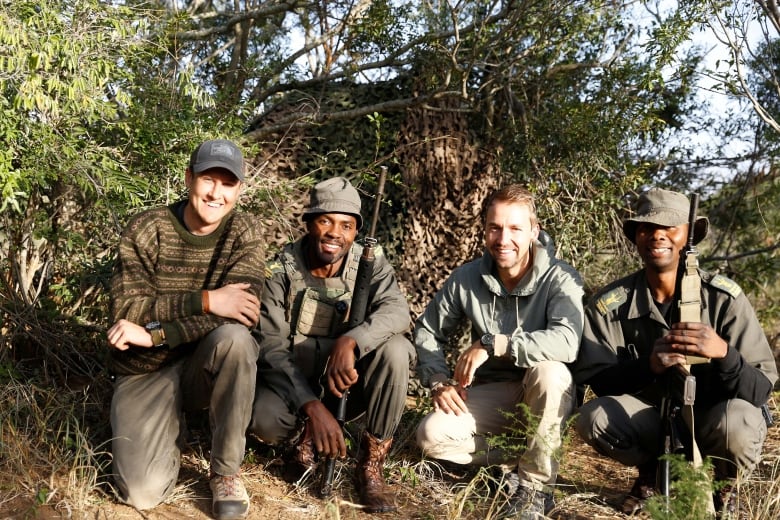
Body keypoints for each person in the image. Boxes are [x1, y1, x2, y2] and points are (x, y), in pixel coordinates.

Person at [572, 188, 778, 516]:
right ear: (636, 238)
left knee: (738, 422)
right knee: (593, 417)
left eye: (670, 228)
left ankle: (724, 487)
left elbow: (760, 387)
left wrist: (724, 354)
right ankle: (651, 476)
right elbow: (599, 379)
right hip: (652, 420)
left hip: (714, 419)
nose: (658, 236)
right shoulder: (610, 304)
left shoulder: (724, 299)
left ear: (688, 236)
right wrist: (648, 366)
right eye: (647, 228)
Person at [107, 139, 265, 520]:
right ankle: (168, 434)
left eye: (228, 184)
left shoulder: (244, 232)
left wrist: (157, 332)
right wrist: (207, 300)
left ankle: (225, 471)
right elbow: (127, 311)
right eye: (208, 180)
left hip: (202, 363)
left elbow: (240, 313)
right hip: (145, 370)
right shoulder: (148, 228)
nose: (216, 193)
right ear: (189, 178)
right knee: (142, 494)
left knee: (236, 341)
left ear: (239, 190)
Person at [414, 184, 585, 519]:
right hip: (493, 395)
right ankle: (518, 459)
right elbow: (428, 331)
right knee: (429, 435)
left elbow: (566, 341)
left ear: (534, 231)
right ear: (485, 230)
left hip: (545, 396)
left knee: (550, 372)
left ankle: (535, 489)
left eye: (515, 229)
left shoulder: (561, 278)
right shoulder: (467, 277)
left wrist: (495, 343)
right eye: (495, 228)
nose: (503, 239)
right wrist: (437, 379)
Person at [248, 176, 414, 513]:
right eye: (325, 221)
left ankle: (370, 464)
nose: (335, 233)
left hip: (349, 387)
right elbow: (272, 347)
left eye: (346, 225)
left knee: (397, 349)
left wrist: (352, 341)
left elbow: (398, 311)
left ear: (355, 231)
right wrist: (311, 406)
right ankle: (302, 439)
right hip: (294, 389)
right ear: (309, 224)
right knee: (261, 418)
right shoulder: (281, 268)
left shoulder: (369, 262)